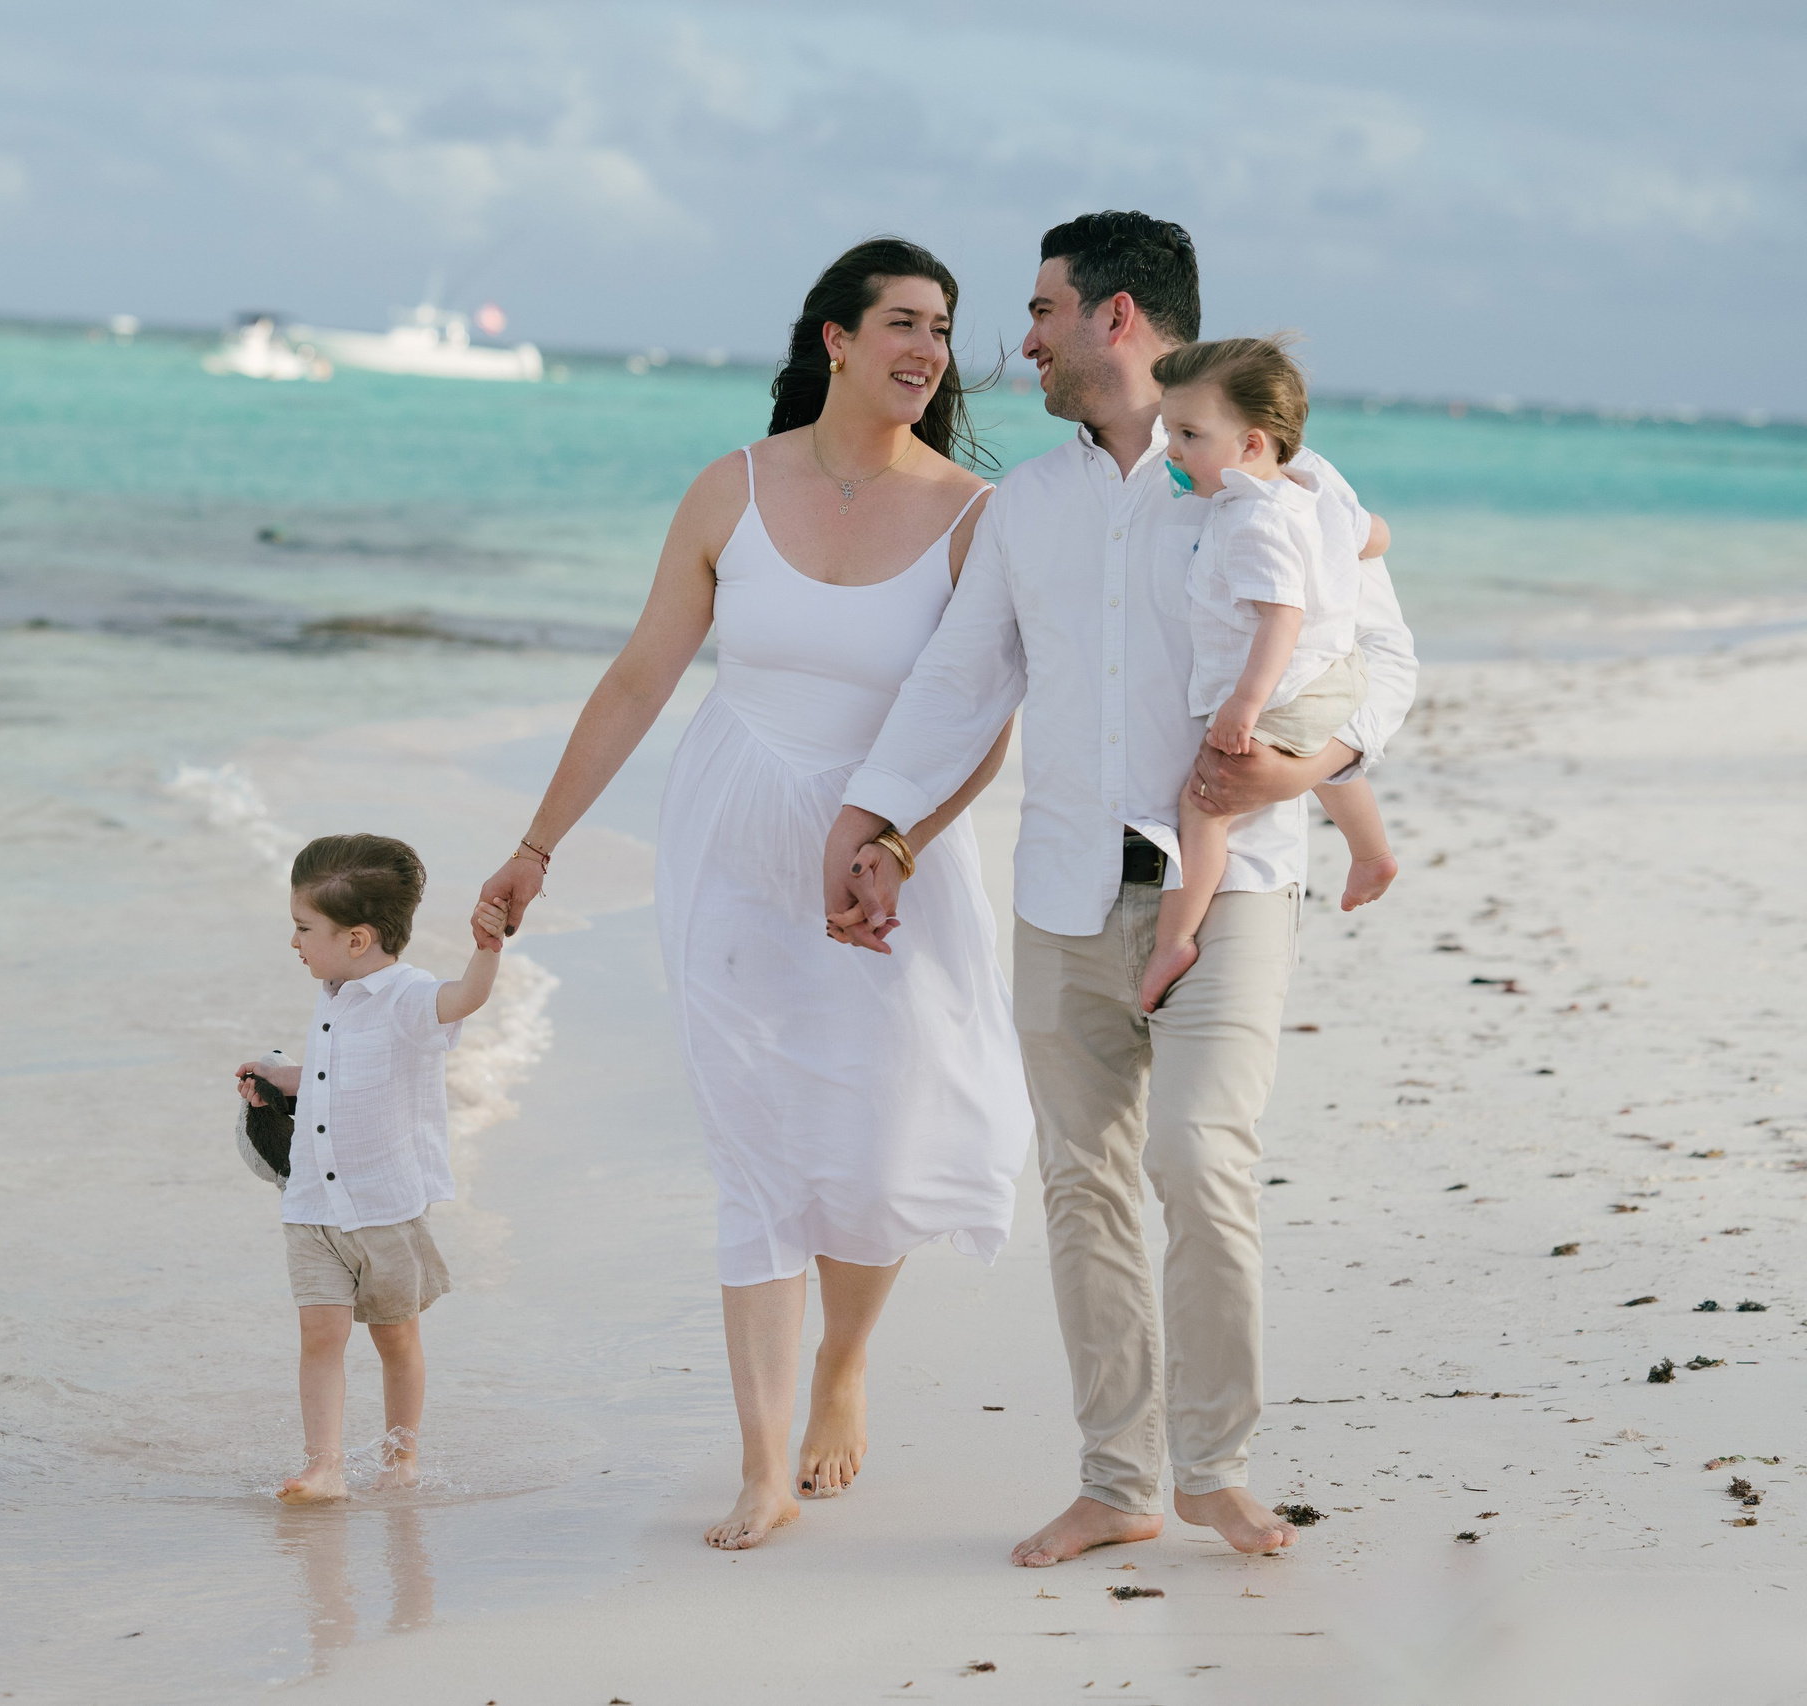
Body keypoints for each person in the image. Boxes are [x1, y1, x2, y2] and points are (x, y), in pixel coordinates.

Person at [821, 212, 1417, 1567]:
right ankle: (1117, 1480)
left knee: (1200, 1160)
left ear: (1120, 316)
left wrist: (1309, 765)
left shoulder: (1287, 481)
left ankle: (1216, 1464)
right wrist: (874, 820)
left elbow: (1384, 663)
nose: (1018, 338)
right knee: (1083, 1188)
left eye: (1041, 310)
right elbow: (963, 679)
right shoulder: (1026, 504)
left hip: (1236, 886)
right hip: (1065, 897)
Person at [477, 238, 1034, 1551]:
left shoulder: (972, 514)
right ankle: (761, 1462)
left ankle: (846, 1363)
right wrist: (538, 843)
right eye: (903, 321)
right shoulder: (729, 489)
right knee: (757, 1140)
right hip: (731, 829)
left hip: (886, 845)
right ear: (833, 337)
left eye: (943, 330)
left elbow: (982, 723)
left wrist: (898, 841)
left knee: (882, 1132)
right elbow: (637, 680)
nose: (928, 350)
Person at [234, 833, 509, 1504]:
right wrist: (281, 1080)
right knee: (319, 1335)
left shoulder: (408, 997)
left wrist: (488, 947)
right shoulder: (332, 994)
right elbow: (334, 1076)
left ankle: (401, 1456)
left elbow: (465, 999)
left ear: (357, 939)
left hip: (384, 1207)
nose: (294, 942)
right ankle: (323, 1467)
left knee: (395, 1340)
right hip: (312, 1205)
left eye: (304, 928)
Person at [1139, 336, 1399, 1013]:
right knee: (1333, 766)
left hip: (1289, 684)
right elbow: (1378, 537)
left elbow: (1281, 616)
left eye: (1190, 434)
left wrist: (1244, 705)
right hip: (1337, 672)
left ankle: (1177, 938)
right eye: (1170, 430)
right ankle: (1371, 852)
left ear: (1252, 446)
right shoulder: (1309, 491)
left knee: (1202, 808)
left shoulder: (1250, 519)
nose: (1172, 450)